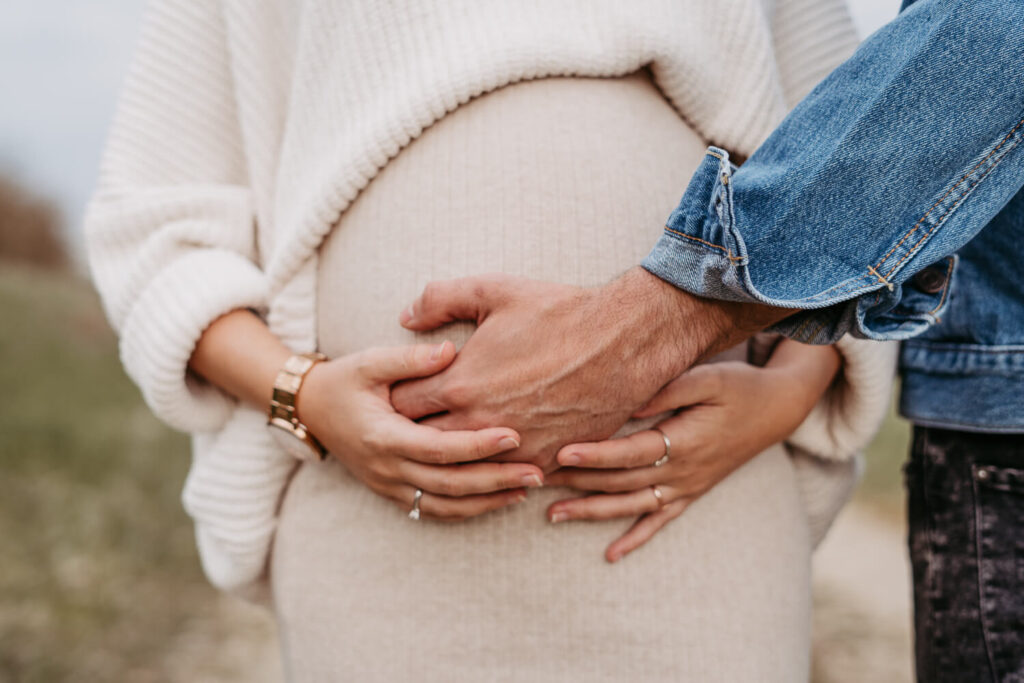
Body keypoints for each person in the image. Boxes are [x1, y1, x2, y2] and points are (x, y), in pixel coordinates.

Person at [84, 0, 896, 680]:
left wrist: (790, 389)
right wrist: (305, 394)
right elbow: (155, 230)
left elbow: (871, 171)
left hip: (697, 524)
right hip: (377, 545)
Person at [390, 0, 1024, 680]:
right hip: (374, 521)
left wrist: (666, 335)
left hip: (715, 498)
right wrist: (309, 393)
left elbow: (836, 89)